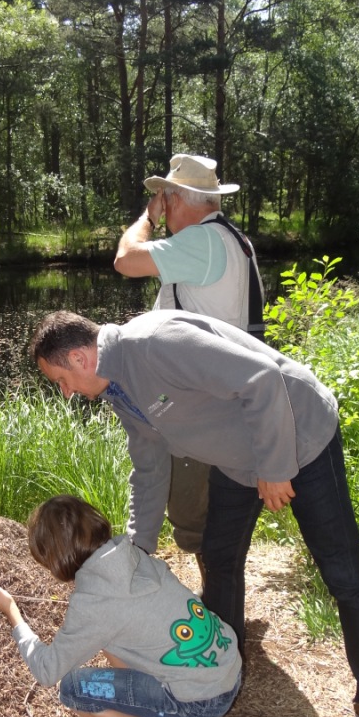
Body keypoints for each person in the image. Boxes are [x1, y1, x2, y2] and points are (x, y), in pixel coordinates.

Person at [30, 309, 359, 717]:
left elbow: (262, 378)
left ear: (80, 357)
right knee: (219, 558)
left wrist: (276, 465)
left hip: (297, 435)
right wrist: (136, 552)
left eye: (60, 379)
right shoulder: (117, 390)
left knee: (345, 577)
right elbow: (148, 467)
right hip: (237, 459)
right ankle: (217, 676)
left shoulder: (158, 343)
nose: (65, 391)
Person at [0, 494, 242, 717]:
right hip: (227, 663)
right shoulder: (133, 555)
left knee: (75, 690)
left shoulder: (94, 605)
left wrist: (11, 612)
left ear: (55, 558)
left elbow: (47, 670)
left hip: (204, 699)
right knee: (115, 639)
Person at [114, 153, 265, 570]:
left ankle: (219, 603)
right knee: (218, 501)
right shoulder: (237, 241)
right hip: (230, 389)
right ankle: (224, 591)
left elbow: (125, 259)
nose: (163, 205)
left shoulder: (199, 242)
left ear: (177, 200)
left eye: (165, 197)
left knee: (191, 511)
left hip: (201, 397)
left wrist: (146, 217)